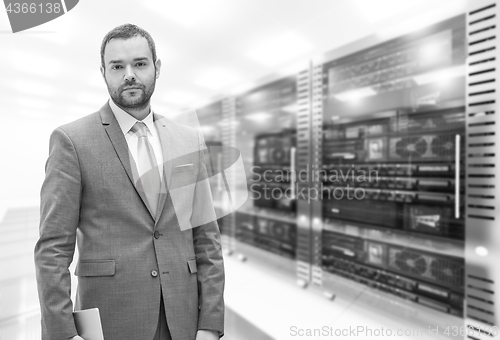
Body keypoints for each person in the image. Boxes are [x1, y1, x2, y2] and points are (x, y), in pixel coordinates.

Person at [34, 23, 225, 340]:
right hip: (111, 320)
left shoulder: (188, 140)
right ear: (103, 72)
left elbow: (207, 238)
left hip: (184, 319)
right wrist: (63, 334)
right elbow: (53, 249)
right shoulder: (72, 140)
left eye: (139, 63)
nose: (129, 75)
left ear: (156, 67)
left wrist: (211, 324)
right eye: (117, 66)